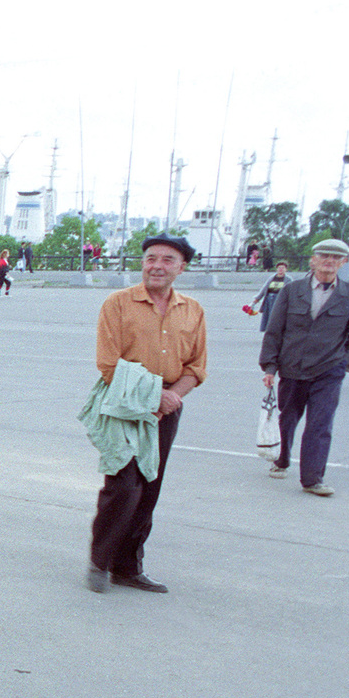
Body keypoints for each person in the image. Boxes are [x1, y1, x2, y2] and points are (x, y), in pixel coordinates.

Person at [87, 234, 206, 593]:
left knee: (150, 488)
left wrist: (170, 398)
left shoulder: (193, 310)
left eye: (167, 259)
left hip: (168, 407)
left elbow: (196, 367)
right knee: (123, 486)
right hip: (124, 406)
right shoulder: (118, 303)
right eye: (151, 258)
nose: (157, 265)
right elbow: (109, 364)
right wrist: (155, 398)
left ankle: (128, 566)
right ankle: (99, 561)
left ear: (181, 267)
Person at [260, 238, 349, 497]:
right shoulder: (292, 290)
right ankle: (282, 459)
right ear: (313, 260)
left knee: (320, 423)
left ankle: (313, 479)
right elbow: (275, 330)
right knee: (288, 418)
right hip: (292, 367)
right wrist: (270, 366)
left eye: (336, 258)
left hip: (329, 370)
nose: (329, 261)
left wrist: (344, 360)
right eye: (324, 256)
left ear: (343, 262)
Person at [250, 263, 290, 333]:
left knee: (278, 319)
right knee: (269, 318)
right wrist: (254, 302)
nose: (280, 269)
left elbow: (291, 292)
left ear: (286, 269)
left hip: (280, 302)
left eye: (283, 268)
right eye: (279, 268)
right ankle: (269, 333)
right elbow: (264, 290)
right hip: (269, 301)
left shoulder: (288, 280)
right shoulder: (271, 278)